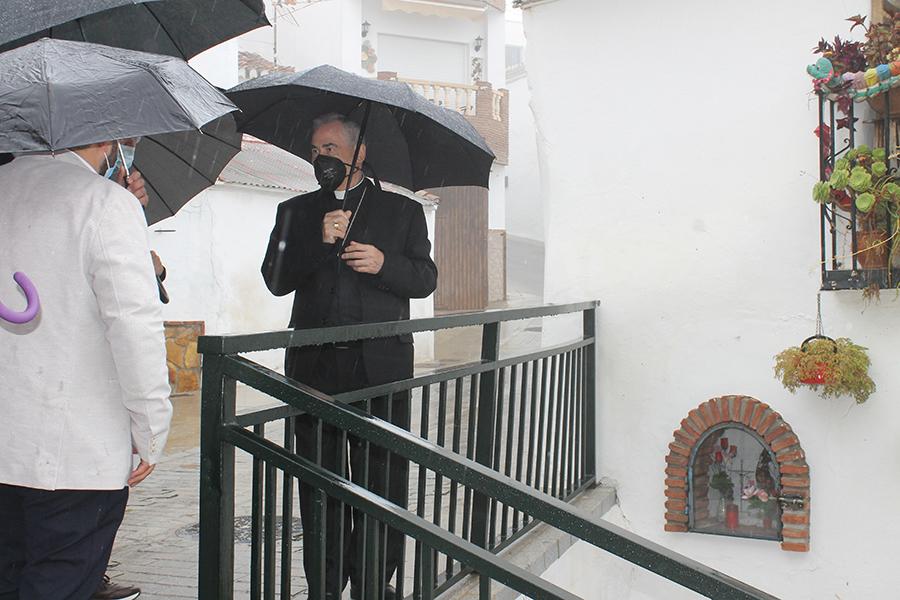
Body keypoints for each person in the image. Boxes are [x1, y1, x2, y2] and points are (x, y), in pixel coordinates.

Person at [261, 113, 437, 600]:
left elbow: (425, 280)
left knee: (383, 475)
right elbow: (275, 279)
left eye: (333, 148)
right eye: (317, 149)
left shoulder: (402, 212)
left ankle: (375, 583)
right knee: (319, 479)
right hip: (314, 367)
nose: (323, 158)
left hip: (380, 366)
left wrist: (385, 265)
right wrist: (318, 243)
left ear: (359, 155)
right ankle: (324, 584)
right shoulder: (295, 212)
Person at [0, 139, 173, 600]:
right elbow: (133, 328)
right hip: (75, 451)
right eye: (125, 139)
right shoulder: (104, 204)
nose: (126, 148)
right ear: (103, 137)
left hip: (6, 445)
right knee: (60, 579)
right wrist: (151, 428)